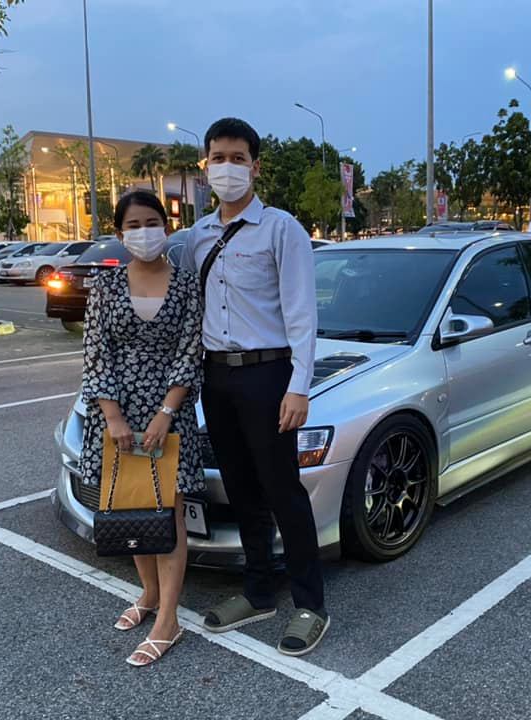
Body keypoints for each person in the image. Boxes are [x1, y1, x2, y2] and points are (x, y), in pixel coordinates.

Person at [182, 117, 328, 656]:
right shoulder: (197, 236)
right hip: (216, 376)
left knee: (281, 490)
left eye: (237, 158)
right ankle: (259, 592)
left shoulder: (281, 229)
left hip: (269, 375)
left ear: (255, 166)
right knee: (243, 490)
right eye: (217, 157)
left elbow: (301, 314)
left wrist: (299, 387)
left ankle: (310, 604)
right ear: (205, 166)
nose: (227, 167)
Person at [79, 190, 204, 668]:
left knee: (167, 510)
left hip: (168, 409)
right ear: (120, 232)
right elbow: (96, 352)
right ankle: (149, 594)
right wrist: (112, 415)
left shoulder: (188, 285)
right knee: (133, 503)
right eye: (135, 224)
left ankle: (168, 621)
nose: (145, 231)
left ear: (166, 227)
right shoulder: (107, 286)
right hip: (118, 411)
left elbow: (191, 351)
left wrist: (166, 411)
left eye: (153, 221)